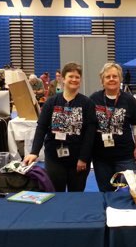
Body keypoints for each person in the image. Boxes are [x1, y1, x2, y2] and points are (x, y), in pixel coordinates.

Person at [23, 62, 96, 192]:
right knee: (56, 195)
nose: (74, 79)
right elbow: (41, 127)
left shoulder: (87, 103)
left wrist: (84, 158)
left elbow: (90, 134)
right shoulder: (51, 102)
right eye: (70, 76)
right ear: (63, 79)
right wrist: (34, 152)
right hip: (54, 158)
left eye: (77, 77)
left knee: (76, 196)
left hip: (78, 159)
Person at [89, 62, 136, 192]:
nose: (112, 79)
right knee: (106, 192)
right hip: (101, 158)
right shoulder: (93, 99)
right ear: (102, 80)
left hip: (126, 156)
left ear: (120, 79)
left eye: (115, 76)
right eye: (108, 77)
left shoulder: (129, 100)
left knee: (131, 192)